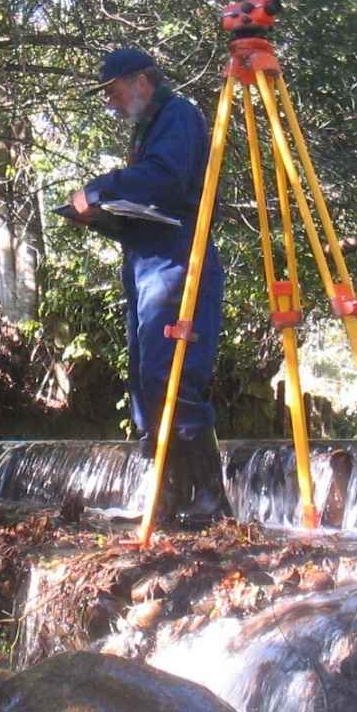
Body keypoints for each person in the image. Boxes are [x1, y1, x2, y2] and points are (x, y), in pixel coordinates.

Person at [69, 46, 231, 525]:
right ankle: (168, 498)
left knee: (172, 373)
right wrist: (103, 215)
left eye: (113, 91)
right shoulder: (149, 126)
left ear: (141, 81)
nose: (110, 103)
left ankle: (209, 499)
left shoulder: (178, 114)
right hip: (146, 258)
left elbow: (164, 178)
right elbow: (151, 190)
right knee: (144, 380)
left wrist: (98, 190)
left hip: (179, 259)